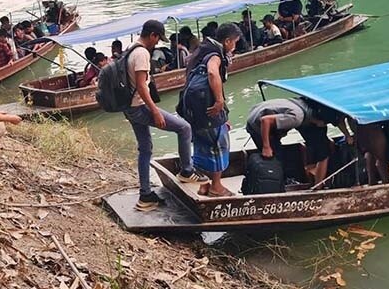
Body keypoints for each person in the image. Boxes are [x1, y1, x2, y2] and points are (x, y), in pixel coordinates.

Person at [123, 19, 207, 211]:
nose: (157, 43)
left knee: (145, 148)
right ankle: (187, 170)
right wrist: (155, 111)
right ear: (152, 35)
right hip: (140, 106)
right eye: (158, 39)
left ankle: (145, 196)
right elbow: (142, 87)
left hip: (128, 106)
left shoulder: (130, 47)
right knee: (184, 128)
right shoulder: (142, 53)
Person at [184, 22, 241, 197]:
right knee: (218, 144)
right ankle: (216, 187)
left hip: (192, 108)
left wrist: (223, 115)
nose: (235, 46)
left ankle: (204, 184)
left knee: (201, 143)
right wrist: (219, 101)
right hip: (208, 108)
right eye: (235, 42)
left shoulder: (201, 50)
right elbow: (212, 73)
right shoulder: (215, 55)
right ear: (227, 41)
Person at [245, 97, 347, 185]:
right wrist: (266, 147)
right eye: (325, 124)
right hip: (256, 124)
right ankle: (278, 183)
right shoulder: (297, 117)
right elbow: (265, 121)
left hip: (258, 111)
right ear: (319, 121)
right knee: (274, 157)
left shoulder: (304, 105)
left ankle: (284, 179)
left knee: (279, 153)